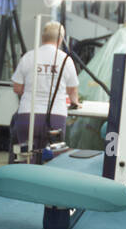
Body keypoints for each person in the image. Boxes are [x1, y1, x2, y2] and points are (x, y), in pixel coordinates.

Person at [10, 20, 79, 157]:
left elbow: (17, 88)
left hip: (28, 116)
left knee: (27, 157)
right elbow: (72, 90)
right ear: (60, 40)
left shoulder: (29, 56)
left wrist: (32, 91)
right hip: (56, 117)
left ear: (42, 38)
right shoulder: (66, 59)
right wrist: (74, 101)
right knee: (51, 159)